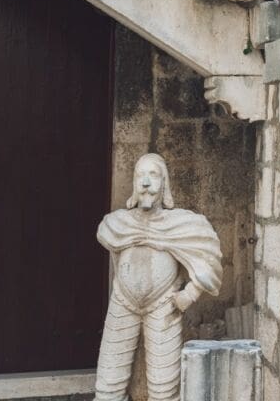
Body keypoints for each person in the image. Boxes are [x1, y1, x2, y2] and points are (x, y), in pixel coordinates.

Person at [94, 154, 222, 401]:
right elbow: (104, 233)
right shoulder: (117, 223)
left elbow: (210, 259)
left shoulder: (182, 223)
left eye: (153, 176)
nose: (145, 183)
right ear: (134, 184)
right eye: (140, 176)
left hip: (164, 306)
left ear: (165, 184)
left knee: (164, 389)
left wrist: (190, 293)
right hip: (122, 302)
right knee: (107, 387)